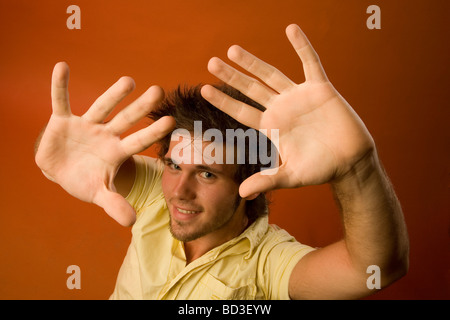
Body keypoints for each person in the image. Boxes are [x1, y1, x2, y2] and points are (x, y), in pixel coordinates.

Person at [35, 24, 409, 299]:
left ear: (249, 183)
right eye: (174, 165)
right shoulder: (156, 189)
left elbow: (373, 270)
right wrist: (54, 152)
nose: (179, 191)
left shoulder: (267, 261)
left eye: (208, 174)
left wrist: (357, 168)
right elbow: (90, 159)